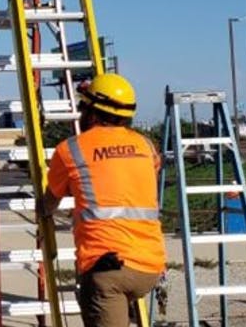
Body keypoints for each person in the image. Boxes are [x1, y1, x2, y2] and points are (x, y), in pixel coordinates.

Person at [40, 73, 165, 327]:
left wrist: (41, 212)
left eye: (83, 106)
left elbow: (50, 200)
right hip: (150, 266)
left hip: (107, 270)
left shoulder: (71, 150)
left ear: (94, 113)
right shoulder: (146, 145)